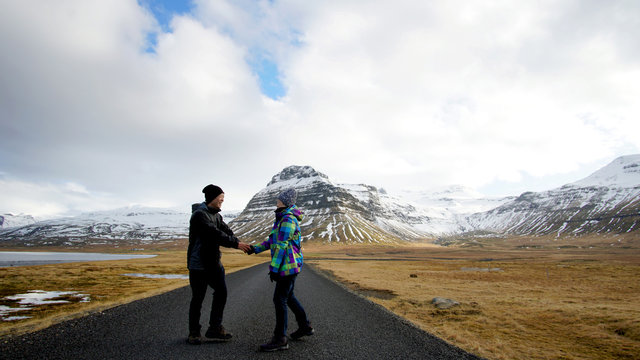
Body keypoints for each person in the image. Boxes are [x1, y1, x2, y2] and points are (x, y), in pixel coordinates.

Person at [248, 188, 314, 352]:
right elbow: (273, 241)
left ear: (285, 201)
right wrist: (254, 249)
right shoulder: (282, 218)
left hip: (288, 266)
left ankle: (280, 339)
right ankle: (304, 326)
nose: (276, 200)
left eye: (279, 199)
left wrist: (274, 268)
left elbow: (281, 245)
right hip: (289, 265)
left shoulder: (287, 219)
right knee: (288, 296)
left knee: (279, 299)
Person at [187, 184, 251, 345]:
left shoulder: (216, 216)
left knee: (221, 292)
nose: (223, 200)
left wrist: (238, 242)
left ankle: (214, 328)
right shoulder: (199, 216)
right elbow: (214, 234)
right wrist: (235, 245)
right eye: (220, 197)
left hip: (214, 263)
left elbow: (226, 231)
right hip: (198, 265)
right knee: (198, 299)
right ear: (212, 198)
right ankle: (194, 333)